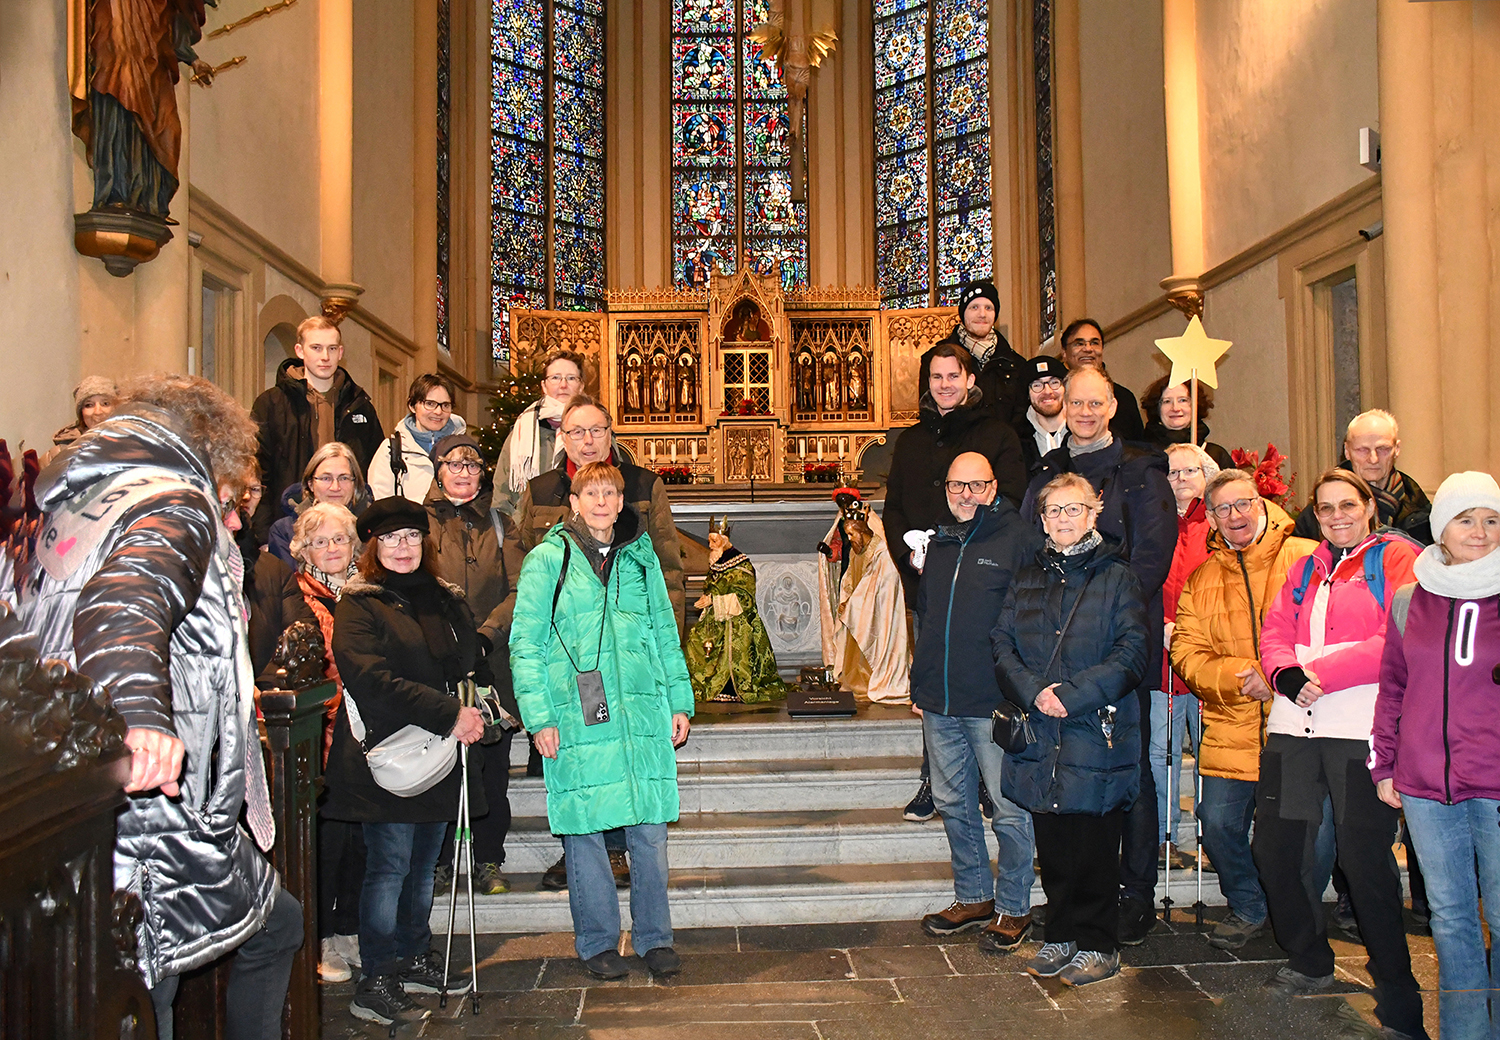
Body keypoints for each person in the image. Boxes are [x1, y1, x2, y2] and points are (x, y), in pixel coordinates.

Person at [20, 374, 302, 1040]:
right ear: (209, 450)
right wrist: (143, 718)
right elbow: (126, 603)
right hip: (147, 786)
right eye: (229, 497)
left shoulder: (65, 507)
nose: (231, 518)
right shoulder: (172, 499)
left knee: (258, 926)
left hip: (52, 776)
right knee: (148, 977)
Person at [1253, 469, 1425, 1040]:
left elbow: (1393, 639)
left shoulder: (1397, 559)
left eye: (1347, 505)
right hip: (1295, 726)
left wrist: (1314, 670)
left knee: (1365, 864)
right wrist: (1283, 671)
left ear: (1369, 506)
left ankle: (1399, 996)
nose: (1336, 516)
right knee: (1276, 849)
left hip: (1359, 729)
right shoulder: (1306, 564)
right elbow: (1275, 627)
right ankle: (1308, 958)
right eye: (1325, 509)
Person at [509, 462, 694, 980]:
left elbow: (664, 632)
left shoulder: (641, 561)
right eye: (589, 492)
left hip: (640, 709)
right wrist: (539, 716)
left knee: (650, 830)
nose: (600, 501)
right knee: (585, 829)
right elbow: (526, 642)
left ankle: (655, 939)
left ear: (621, 502)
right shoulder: (549, 559)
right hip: (576, 710)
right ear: (573, 501)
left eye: (609, 492)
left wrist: (679, 700)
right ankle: (597, 942)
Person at [1021, 365, 1175, 944]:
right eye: (1076, 403)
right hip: (1052, 652)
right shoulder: (1047, 476)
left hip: (1115, 649)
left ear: (1112, 406)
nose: (1084, 412)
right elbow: (1029, 557)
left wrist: (1103, 629)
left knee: (1125, 770)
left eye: (1095, 403)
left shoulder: (1141, 473)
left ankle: (1133, 894)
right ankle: (1072, 898)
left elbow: (1149, 565)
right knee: (1062, 771)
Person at [324, 497, 489, 1028]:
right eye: (391, 539)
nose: (402, 547)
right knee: (389, 865)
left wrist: (473, 697)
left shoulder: (443, 598)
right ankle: (376, 976)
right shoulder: (361, 603)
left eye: (412, 538)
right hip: (388, 754)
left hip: (437, 750)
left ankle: (415, 955)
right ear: (373, 546)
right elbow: (369, 678)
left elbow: (464, 661)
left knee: (423, 866)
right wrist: (449, 713)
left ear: (426, 543)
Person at [993, 473, 1148, 986]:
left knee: (1096, 843)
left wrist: (1070, 695)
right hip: (1041, 726)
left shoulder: (1118, 577)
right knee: (1053, 840)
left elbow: (1131, 654)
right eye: (1053, 511)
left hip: (1093, 727)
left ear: (1094, 511)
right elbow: (1002, 643)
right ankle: (1060, 934)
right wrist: (1033, 691)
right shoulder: (1027, 576)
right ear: (1041, 519)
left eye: (1073, 509)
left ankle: (1100, 944)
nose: (1063, 519)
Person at [1373, 471, 1500, 1040]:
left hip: (1496, 784)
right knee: (1450, 922)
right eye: (1467, 519)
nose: (1480, 531)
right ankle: (1466, 1032)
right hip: (1426, 786)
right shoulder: (1410, 598)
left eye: (1492, 520)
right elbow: (1394, 685)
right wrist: (1386, 764)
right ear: (1442, 529)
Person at [1170, 469, 1316, 950]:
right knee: (1217, 826)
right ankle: (1249, 905)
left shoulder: (1306, 558)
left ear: (1261, 503)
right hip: (1231, 726)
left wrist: (1272, 676)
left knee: (1300, 838)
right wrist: (1241, 677)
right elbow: (1187, 655)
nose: (1234, 515)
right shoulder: (1202, 578)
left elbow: (1327, 634)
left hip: (1298, 724)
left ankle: (1297, 914)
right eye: (1223, 509)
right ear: (1210, 516)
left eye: (1242, 503)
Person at [883, 342, 1028, 820]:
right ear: (927, 383)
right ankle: (933, 780)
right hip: (929, 583)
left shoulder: (997, 433)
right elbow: (895, 508)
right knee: (934, 691)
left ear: (969, 380)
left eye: (953, 375)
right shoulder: (910, 440)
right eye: (936, 376)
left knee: (984, 683)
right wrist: (911, 558)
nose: (944, 384)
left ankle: (989, 782)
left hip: (985, 585)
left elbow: (1010, 501)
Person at [911, 453, 1041, 953]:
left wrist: (1021, 687)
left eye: (976, 485)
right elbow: (927, 618)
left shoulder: (1017, 538)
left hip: (992, 702)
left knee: (1008, 809)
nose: (965, 494)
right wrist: (920, 685)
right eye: (956, 485)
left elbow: (1030, 619)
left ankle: (1014, 905)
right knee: (952, 803)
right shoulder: (941, 541)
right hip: (939, 701)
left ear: (993, 486)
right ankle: (973, 896)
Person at [424, 433, 520, 897]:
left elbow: (522, 588)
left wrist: (486, 635)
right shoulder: (417, 524)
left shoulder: (501, 524)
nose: (464, 471)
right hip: (433, 661)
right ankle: (440, 862)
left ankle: (488, 860)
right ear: (437, 469)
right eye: (453, 463)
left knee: (490, 769)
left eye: (473, 464)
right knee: (439, 767)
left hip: (489, 663)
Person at [506, 393, 685, 630]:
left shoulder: (644, 486)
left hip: (630, 632)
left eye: (597, 430)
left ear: (610, 434)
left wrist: (666, 641)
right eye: (577, 432)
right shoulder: (540, 490)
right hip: (562, 634)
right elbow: (526, 575)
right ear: (564, 438)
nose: (588, 440)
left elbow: (668, 572)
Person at [283, 503, 365, 983]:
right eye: (320, 541)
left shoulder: (369, 591)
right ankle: (321, 938)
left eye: (339, 540)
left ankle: (349, 929)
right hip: (326, 735)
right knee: (328, 844)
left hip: (368, 734)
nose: (331, 549)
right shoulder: (298, 596)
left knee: (361, 842)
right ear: (304, 549)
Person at [251, 315, 384, 541]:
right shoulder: (271, 404)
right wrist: (263, 536)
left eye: (332, 348)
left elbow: (374, 470)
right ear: (300, 351)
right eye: (316, 347)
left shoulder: (361, 406)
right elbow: (258, 474)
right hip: (290, 522)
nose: (325, 357)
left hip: (350, 525)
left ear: (340, 353)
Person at [1153, 443, 1218, 867]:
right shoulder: (1152, 521)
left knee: (1212, 751)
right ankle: (1165, 834)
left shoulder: (1218, 522)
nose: (1179, 479)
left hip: (1212, 657)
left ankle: (1215, 837)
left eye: (1188, 471)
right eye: (1171, 472)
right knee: (1163, 751)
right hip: (1162, 659)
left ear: (1206, 473)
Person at [684, 518, 789, 703]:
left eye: (714, 541)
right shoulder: (716, 562)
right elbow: (711, 587)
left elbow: (745, 599)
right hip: (715, 618)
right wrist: (706, 599)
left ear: (724, 540)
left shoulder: (742, 564)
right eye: (709, 541)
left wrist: (712, 601)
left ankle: (732, 686)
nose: (710, 545)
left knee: (737, 642)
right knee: (694, 640)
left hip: (739, 621)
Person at [1293, 410, 1433, 545]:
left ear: (1396, 449)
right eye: (1362, 450)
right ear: (1347, 451)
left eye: (1383, 449)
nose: (1373, 459)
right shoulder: (1321, 509)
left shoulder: (1420, 507)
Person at [491, 348, 584, 519]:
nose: (563, 385)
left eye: (571, 378)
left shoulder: (597, 430)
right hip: (531, 529)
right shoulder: (521, 431)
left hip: (584, 529)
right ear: (544, 385)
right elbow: (502, 494)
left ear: (581, 386)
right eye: (555, 378)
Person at [926, 279, 1030, 423]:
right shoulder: (933, 359)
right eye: (974, 307)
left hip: (1002, 443)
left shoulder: (1015, 364)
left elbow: (1021, 417)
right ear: (963, 314)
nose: (982, 314)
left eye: (988, 308)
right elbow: (929, 413)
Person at [367, 374, 467, 503]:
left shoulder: (464, 449)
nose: (438, 411)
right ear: (412, 406)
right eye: (430, 404)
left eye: (445, 405)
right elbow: (381, 505)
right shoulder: (391, 449)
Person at [266, 441, 370, 564]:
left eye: (344, 478)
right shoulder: (284, 531)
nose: (335, 487)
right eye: (326, 478)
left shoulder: (372, 529)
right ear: (310, 484)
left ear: (355, 484)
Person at [1057, 318, 1146, 442]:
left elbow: (1137, 446)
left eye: (1094, 343)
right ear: (1064, 352)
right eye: (1079, 343)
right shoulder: (1055, 397)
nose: (1088, 349)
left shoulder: (1124, 398)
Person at [1140, 375, 1234, 472]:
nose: (1175, 408)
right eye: (1167, 401)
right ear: (1157, 409)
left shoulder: (1216, 454)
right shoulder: (1142, 455)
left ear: (1195, 405)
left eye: (1183, 400)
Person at [41, 375, 117, 466]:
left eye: (105, 403)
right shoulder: (58, 455)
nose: (98, 412)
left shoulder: (132, 447)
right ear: (81, 413)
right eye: (89, 405)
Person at [1012, 355, 1069, 477]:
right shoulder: (1014, 441)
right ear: (1027, 394)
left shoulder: (1084, 430)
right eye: (1037, 385)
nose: (1048, 391)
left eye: (1054, 383)